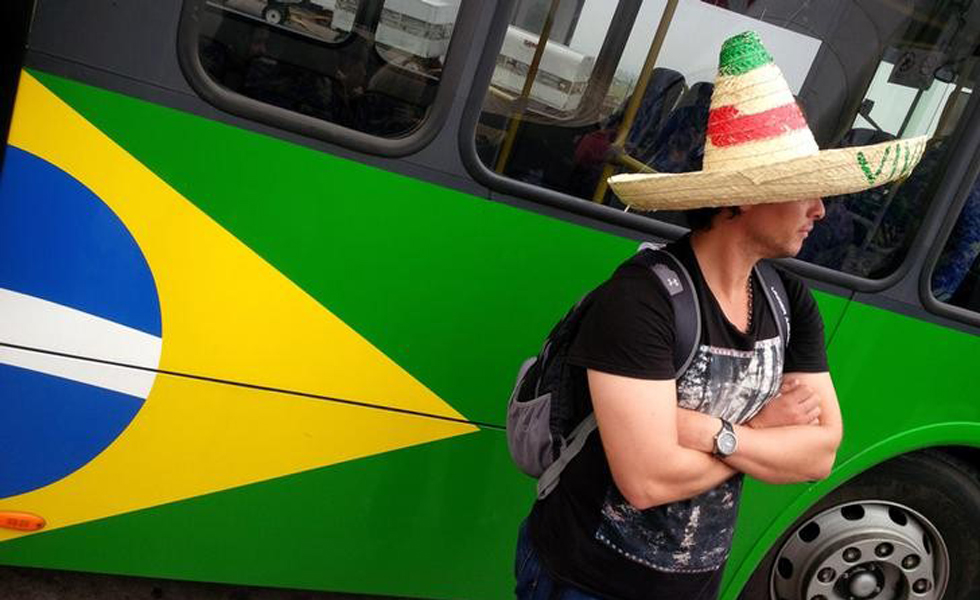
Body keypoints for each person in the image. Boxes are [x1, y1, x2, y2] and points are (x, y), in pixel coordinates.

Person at [515, 31, 929, 600]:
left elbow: (821, 452)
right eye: (804, 190)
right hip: (586, 581)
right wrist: (760, 434)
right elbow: (645, 479)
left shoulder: (790, 301)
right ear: (744, 199)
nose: (821, 210)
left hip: (696, 586)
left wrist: (711, 433)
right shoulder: (642, 300)